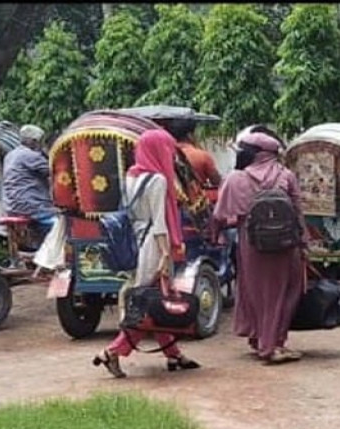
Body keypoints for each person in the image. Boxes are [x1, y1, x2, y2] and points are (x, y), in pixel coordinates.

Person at [92, 128, 200, 379]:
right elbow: (159, 222)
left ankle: (174, 354)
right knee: (146, 306)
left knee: (156, 300)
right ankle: (112, 352)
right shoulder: (159, 180)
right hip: (153, 243)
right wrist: (165, 254)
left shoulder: (131, 175)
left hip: (135, 241)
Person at [213, 130, 306, 364]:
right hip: (285, 246)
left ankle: (258, 339)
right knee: (283, 293)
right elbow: (298, 212)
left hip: (251, 244)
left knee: (255, 292)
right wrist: (304, 243)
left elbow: (220, 216)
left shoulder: (236, 178)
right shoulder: (286, 176)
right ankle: (272, 345)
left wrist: (217, 237)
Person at [0, 124, 59, 244]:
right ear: (33, 141)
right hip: (30, 207)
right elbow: (54, 171)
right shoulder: (30, 156)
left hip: (12, 206)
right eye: (39, 142)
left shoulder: (10, 155)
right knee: (62, 226)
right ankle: (52, 255)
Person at [163, 118, 221, 204]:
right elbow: (216, 181)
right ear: (190, 135)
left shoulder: (165, 154)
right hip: (196, 203)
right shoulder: (202, 155)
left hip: (173, 202)